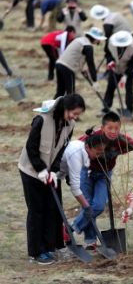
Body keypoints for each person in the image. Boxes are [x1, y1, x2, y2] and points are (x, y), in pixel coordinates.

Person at [18, 94, 84, 264]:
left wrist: (54, 171)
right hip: (31, 170)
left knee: (52, 208)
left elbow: (62, 148)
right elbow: (31, 146)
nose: (75, 117)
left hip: (49, 171)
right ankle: (36, 252)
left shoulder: (70, 125)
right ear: (65, 108)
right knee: (37, 210)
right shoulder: (41, 119)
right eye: (74, 113)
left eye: (77, 115)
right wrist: (40, 169)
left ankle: (50, 247)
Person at [73, 112, 133, 248]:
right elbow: (77, 145)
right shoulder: (94, 137)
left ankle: (71, 228)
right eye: (109, 128)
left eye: (116, 128)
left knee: (99, 206)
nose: (113, 131)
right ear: (102, 128)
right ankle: (90, 241)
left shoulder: (120, 140)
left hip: (104, 175)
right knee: (87, 204)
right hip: (87, 172)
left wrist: (116, 152)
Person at [59, 131, 108, 250]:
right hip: (49, 176)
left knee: (96, 205)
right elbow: (75, 189)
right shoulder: (76, 153)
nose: (98, 156)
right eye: (97, 153)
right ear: (87, 147)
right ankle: (59, 239)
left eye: (101, 153)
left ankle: (69, 231)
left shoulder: (83, 152)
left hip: (59, 175)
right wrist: (86, 207)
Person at [55, 27, 106, 98]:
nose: (98, 42)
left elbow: (76, 55)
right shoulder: (88, 46)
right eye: (99, 40)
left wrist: (82, 68)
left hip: (59, 64)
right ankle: (68, 108)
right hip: (68, 68)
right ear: (96, 38)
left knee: (60, 92)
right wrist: (94, 81)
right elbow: (91, 64)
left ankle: (54, 108)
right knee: (70, 94)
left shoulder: (79, 40)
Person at [98, 31, 133, 117]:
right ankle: (106, 108)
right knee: (110, 88)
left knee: (129, 90)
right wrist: (110, 61)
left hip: (127, 70)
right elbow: (107, 54)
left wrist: (126, 75)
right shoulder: (110, 43)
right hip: (114, 68)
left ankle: (129, 110)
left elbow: (132, 63)